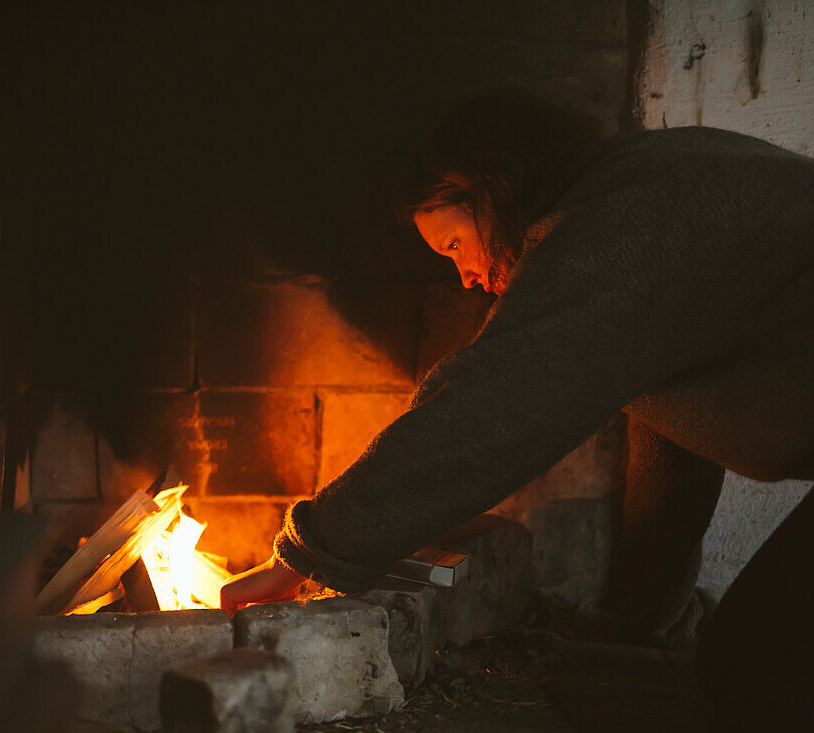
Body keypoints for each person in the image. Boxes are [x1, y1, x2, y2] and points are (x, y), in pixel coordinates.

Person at [219, 97, 814, 728]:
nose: (466, 276)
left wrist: (309, 552)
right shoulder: (637, 193)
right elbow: (675, 438)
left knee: (753, 669)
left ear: (493, 189)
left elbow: (489, 410)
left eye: (454, 243)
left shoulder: (619, 226)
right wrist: (650, 621)